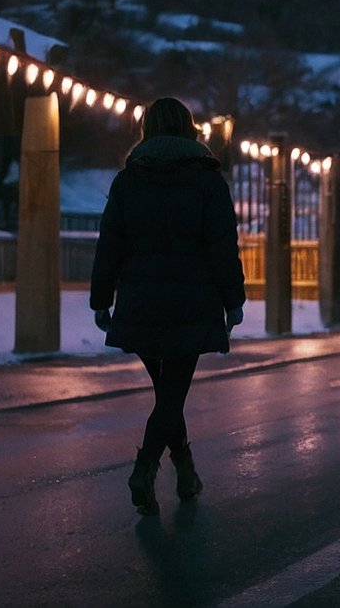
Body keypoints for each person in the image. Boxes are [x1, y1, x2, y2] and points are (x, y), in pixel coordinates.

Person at [91, 97, 246, 516]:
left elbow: (110, 246)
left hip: (140, 301)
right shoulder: (208, 181)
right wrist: (233, 300)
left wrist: (101, 300)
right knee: (172, 392)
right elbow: (221, 248)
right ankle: (145, 469)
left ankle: (186, 472)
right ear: (189, 129)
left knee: (166, 392)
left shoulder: (128, 180)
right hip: (192, 302)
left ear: (147, 130)